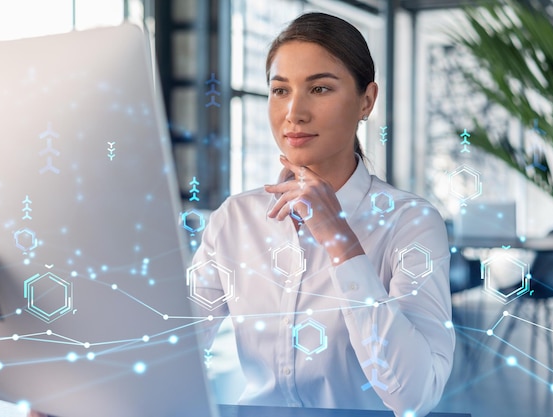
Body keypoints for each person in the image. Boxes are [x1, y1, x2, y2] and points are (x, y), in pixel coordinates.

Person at [189, 12, 455, 417]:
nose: (294, 112)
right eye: (280, 91)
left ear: (366, 101)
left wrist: (340, 241)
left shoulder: (411, 222)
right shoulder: (235, 219)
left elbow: (415, 395)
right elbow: (175, 348)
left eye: (320, 88)